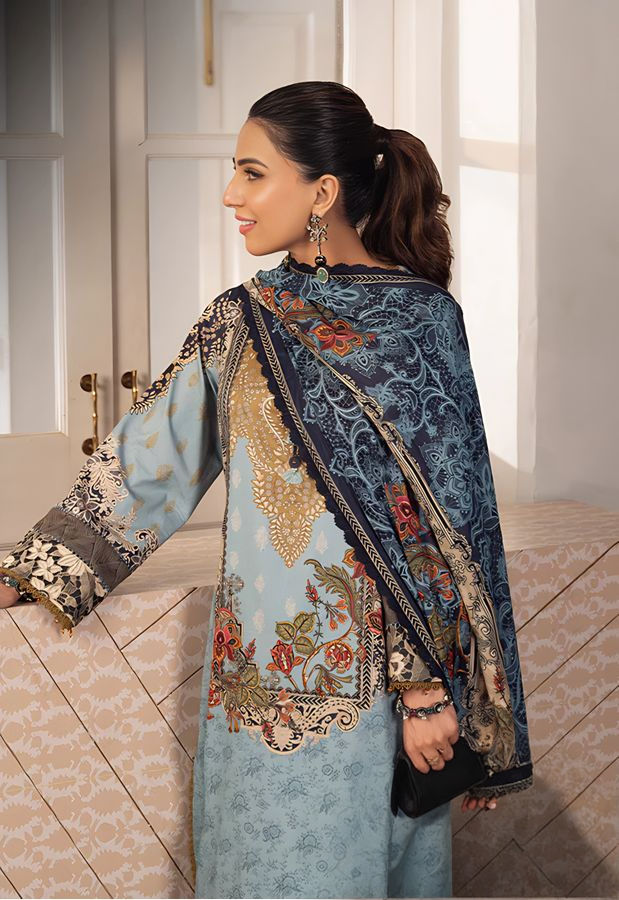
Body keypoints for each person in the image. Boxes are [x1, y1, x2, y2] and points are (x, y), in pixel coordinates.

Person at [0, 80, 533, 899]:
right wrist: (30, 571)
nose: (230, 195)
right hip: (255, 694)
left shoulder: (421, 323)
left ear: (321, 193)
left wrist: (427, 690)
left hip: (389, 700)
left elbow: (445, 530)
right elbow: (147, 462)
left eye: (252, 173)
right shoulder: (240, 321)